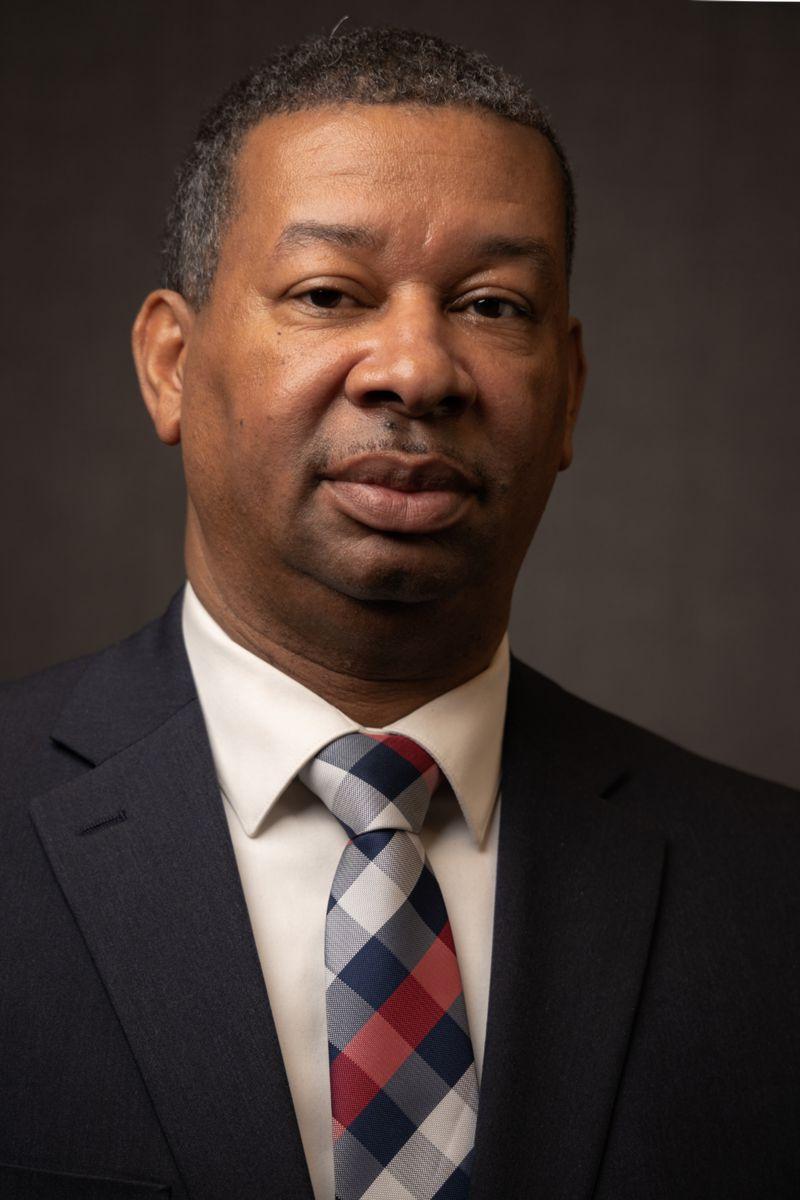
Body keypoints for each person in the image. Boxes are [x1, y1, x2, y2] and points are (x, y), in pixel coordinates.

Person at [1, 25, 797, 1200]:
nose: (417, 370)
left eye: (490, 305)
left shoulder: (769, 897)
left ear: (567, 394)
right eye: (329, 292)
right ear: (172, 363)